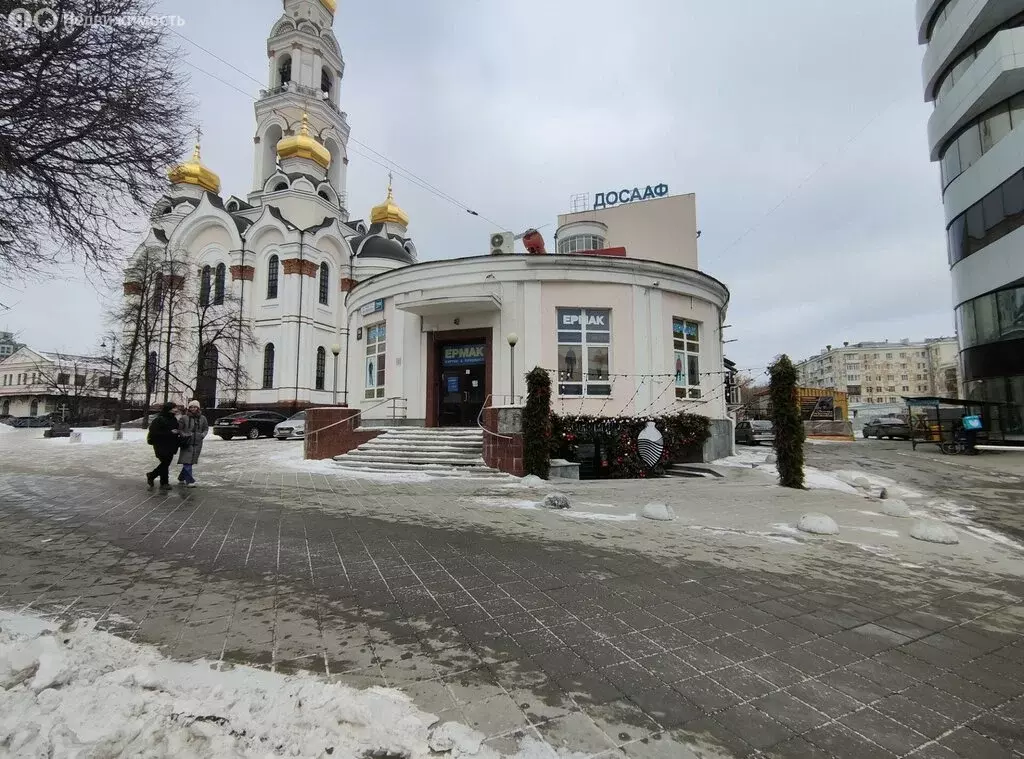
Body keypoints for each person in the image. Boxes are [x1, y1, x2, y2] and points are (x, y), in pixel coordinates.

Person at [146, 403, 180, 490]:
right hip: (160, 445)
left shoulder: (173, 419)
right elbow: (154, 433)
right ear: (169, 409)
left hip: (171, 445)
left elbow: (176, 430)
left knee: (165, 463)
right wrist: (170, 433)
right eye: (174, 408)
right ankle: (163, 482)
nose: (176, 409)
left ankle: (153, 476)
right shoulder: (159, 419)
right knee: (165, 463)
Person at [177, 400, 209, 487]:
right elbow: (179, 429)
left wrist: (202, 435)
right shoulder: (184, 418)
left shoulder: (203, 418)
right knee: (187, 462)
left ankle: (181, 478)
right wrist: (184, 435)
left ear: (198, 408)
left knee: (190, 462)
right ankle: (189, 481)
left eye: (195, 407)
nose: (193, 409)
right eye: (191, 407)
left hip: (197, 443)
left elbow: (206, 428)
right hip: (186, 443)